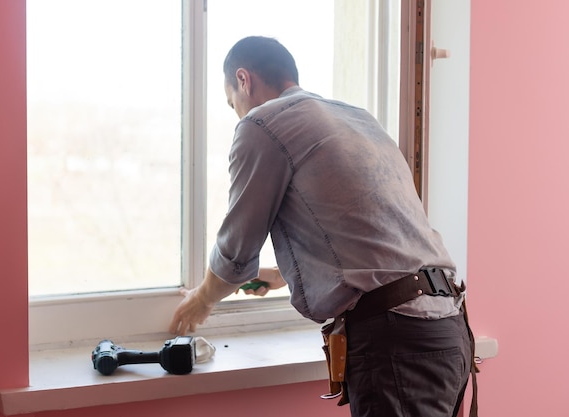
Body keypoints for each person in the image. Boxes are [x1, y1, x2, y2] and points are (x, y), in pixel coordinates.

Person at [169, 36, 476, 417]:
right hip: (447, 327)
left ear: (243, 80)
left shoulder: (262, 124)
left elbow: (236, 251)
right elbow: (369, 225)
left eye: (232, 102)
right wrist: (290, 275)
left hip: (398, 340)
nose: (236, 113)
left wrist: (201, 300)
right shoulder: (357, 117)